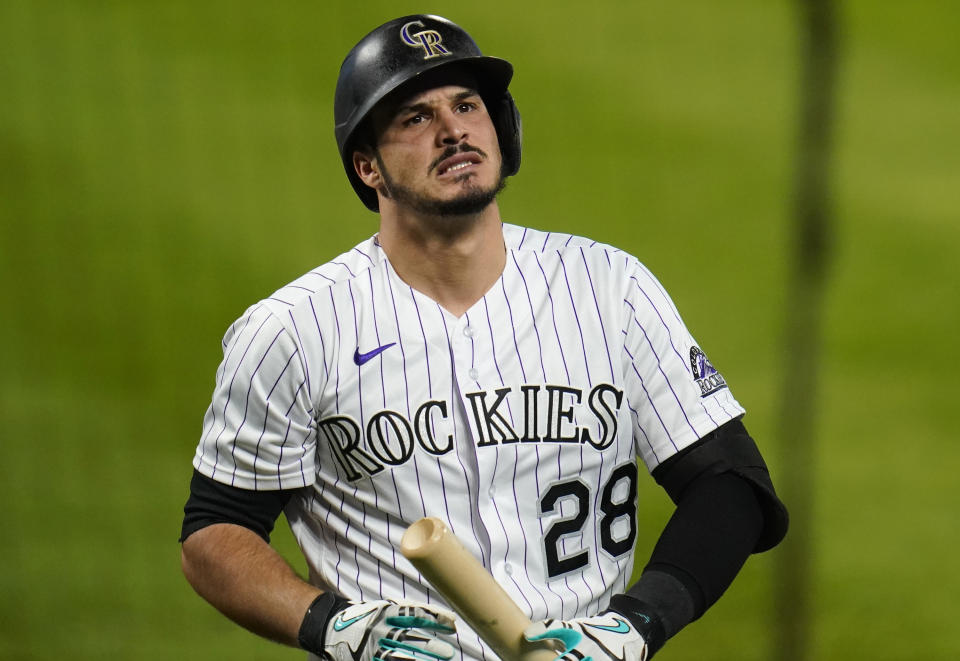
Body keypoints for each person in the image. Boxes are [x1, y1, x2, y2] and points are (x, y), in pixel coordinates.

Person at [180, 14, 788, 661]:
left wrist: (637, 623)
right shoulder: (293, 329)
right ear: (368, 167)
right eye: (415, 117)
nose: (453, 130)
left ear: (503, 130)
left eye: (467, 105)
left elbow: (731, 485)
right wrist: (332, 623)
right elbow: (215, 531)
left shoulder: (610, 287)